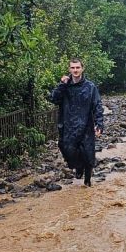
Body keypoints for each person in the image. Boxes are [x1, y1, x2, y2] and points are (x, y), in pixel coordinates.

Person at [49, 58, 104, 186]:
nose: (75, 70)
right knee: (66, 149)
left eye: (77, 67)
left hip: (86, 125)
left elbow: (97, 105)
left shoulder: (90, 87)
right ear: (69, 69)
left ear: (82, 69)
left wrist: (99, 123)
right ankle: (78, 166)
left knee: (88, 153)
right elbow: (53, 99)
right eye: (73, 68)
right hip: (68, 125)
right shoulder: (65, 86)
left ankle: (87, 181)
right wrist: (62, 85)